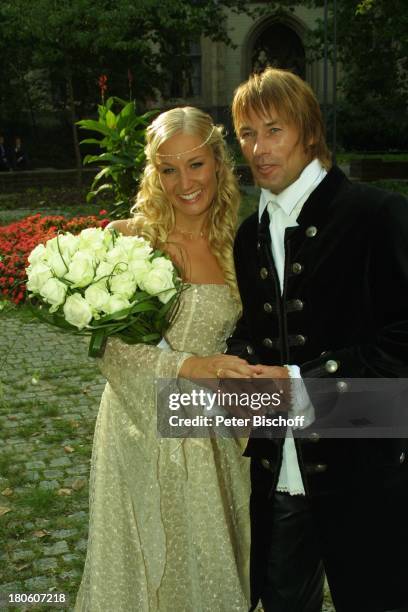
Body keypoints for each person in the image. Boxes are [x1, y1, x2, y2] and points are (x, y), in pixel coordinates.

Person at [227, 67, 408, 612]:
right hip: (278, 470)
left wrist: (305, 381)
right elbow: (257, 328)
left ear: (309, 131)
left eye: (273, 130)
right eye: (246, 134)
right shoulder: (248, 233)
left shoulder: (376, 214)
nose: (258, 149)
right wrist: (238, 365)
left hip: (366, 471)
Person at [75, 106, 258, 612]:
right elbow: (109, 354)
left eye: (196, 164)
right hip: (138, 425)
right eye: (168, 168)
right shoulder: (128, 238)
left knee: (208, 556)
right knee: (141, 566)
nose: (184, 182)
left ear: (219, 164)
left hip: (212, 433)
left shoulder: (239, 245)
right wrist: (186, 367)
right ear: (153, 174)